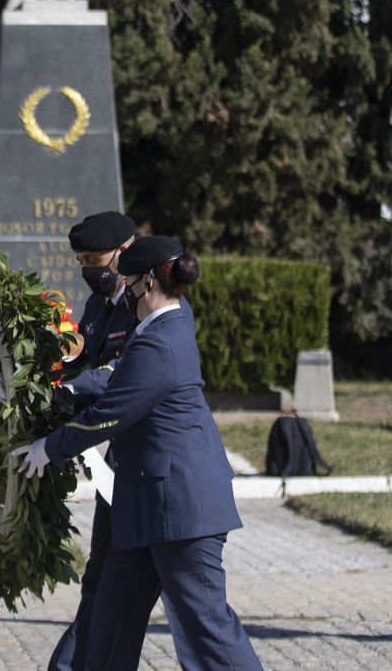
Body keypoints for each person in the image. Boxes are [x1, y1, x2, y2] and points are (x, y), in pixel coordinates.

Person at [13, 236, 260, 670]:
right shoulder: (155, 332)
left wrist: (49, 448)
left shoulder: (162, 341)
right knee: (110, 622)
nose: (123, 295)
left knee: (207, 632)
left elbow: (110, 413)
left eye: (128, 284)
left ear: (148, 282)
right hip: (146, 505)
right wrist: (42, 395)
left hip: (182, 509)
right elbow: (103, 389)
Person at [48, 210, 144, 671]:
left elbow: (122, 375)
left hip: (154, 468)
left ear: (124, 251)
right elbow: (83, 361)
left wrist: (68, 391)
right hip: (120, 467)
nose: (88, 269)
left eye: (95, 260)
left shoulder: (148, 305)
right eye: (81, 261)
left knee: (195, 612)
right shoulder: (97, 306)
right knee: (100, 581)